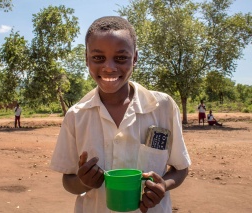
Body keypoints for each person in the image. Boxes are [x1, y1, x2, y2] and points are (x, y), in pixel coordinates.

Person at [50, 16, 191, 213]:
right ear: (86, 59)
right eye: (98, 58)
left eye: (121, 58)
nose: (109, 67)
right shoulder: (76, 116)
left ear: (135, 58)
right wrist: (84, 182)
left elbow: (181, 167)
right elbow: (68, 180)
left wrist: (163, 186)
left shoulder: (162, 107)